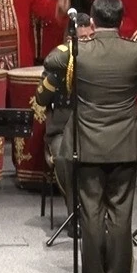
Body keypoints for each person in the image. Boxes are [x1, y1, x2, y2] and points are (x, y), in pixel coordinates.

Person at [36, 0, 137, 273]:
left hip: (87, 143)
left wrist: (74, 40)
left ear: (94, 19)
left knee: (91, 211)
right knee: (121, 211)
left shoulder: (78, 52)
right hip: (125, 143)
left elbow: (51, 60)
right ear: (122, 20)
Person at [37, 13, 94, 225]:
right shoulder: (58, 63)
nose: (87, 43)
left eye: (90, 37)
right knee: (64, 158)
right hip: (61, 131)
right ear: (70, 41)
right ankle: (74, 216)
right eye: (83, 39)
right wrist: (55, 77)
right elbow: (41, 99)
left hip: (91, 129)